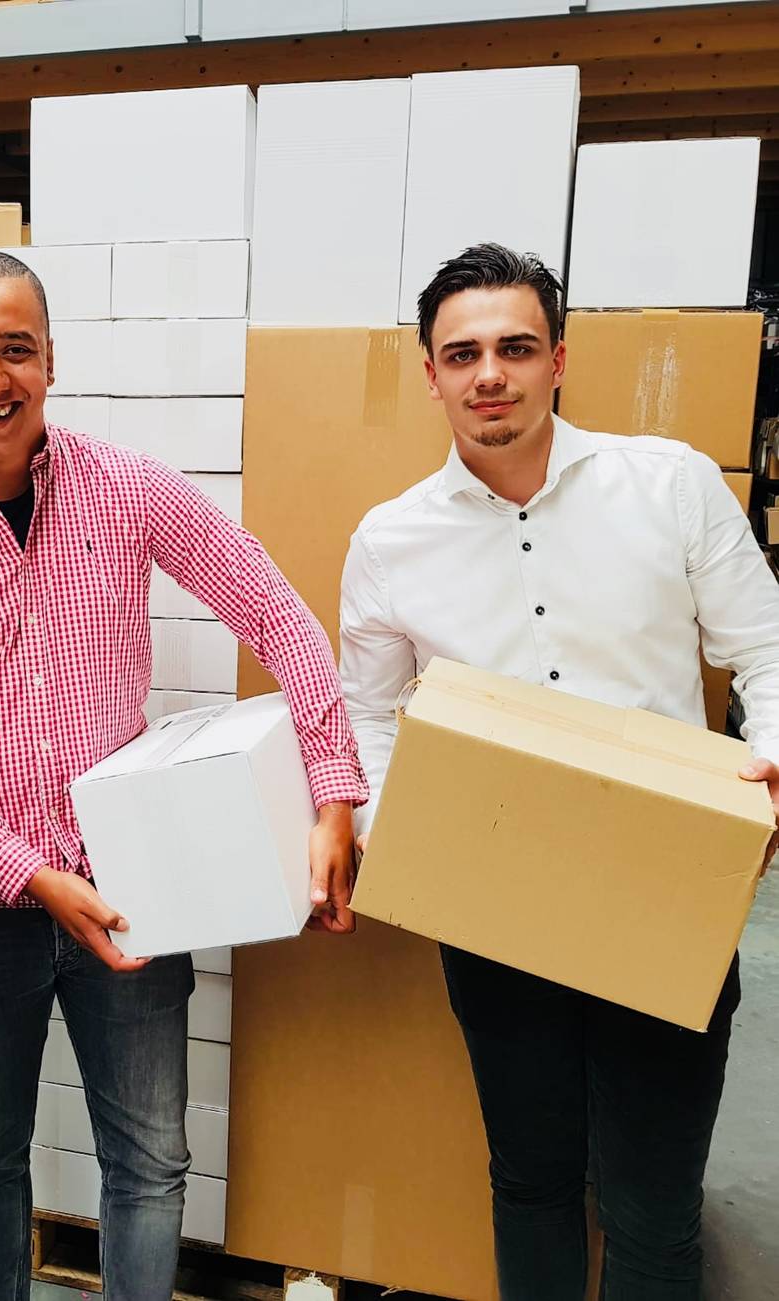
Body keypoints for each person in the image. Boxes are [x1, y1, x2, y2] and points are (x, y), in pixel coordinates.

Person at [0, 248, 366, 1301]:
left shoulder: (125, 488)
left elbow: (275, 611)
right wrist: (28, 873)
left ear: (51, 358)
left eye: (15, 349)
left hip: (135, 886)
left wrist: (331, 789)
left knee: (151, 1157)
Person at [338, 242, 779, 1301]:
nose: (488, 373)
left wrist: (766, 771)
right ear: (430, 373)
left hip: (665, 889)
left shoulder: (667, 484)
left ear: (558, 359)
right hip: (491, 903)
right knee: (530, 1179)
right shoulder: (391, 540)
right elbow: (368, 713)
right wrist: (391, 840)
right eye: (462, 354)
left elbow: (764, 648)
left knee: (650, 1207)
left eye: (515, 347)